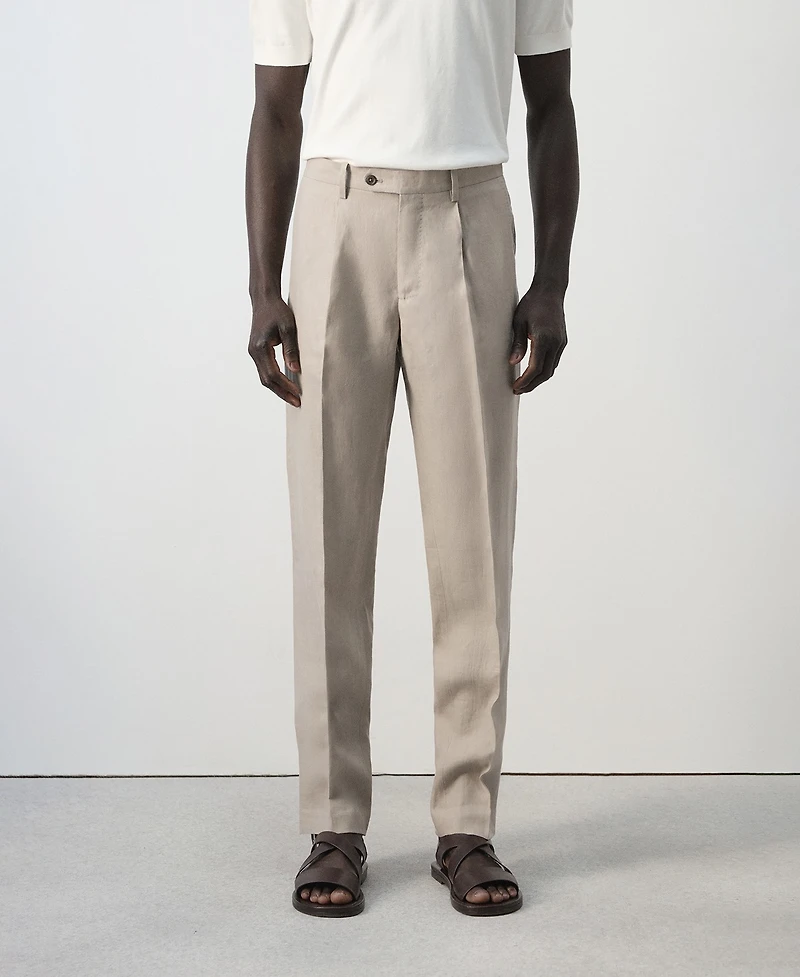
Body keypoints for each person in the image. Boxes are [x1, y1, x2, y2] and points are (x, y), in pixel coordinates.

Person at [245, 0, 579, 918]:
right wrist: (263, 286)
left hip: (471, 211)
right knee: (329, 537)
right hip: (337, 217)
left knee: (474, 539)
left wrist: (552, 281)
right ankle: (333, 822)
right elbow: (275, 106)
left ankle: (467, 822)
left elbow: (552, 103)